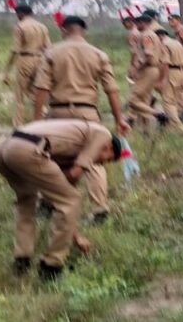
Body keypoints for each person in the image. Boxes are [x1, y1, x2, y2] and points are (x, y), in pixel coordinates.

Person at [0, 119, 123, 279]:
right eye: (108, 159)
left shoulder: (69, 148)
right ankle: (51, 266)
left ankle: (22, 260)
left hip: (4, 147)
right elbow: (73, 177)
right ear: (108, 147)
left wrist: (77, 237)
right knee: (72, 200)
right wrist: (56, 180)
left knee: (26, 201)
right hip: (28, 148)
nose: (102, 163)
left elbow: (59, 197)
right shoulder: (103, 134)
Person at [33, 16, 130, 223]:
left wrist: (36, 121)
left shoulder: (51, 53)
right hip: (88, 114)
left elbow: (41, 89)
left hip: (58, 114)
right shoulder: (99, 55)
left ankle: (48, 202)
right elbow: (111, 90)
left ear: (64, 30)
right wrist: (119, 119)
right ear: (83, 31)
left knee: (52, 158)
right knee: (94, 161)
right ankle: (99, 209)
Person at [2, 3, 51, 126]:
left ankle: (18, 125)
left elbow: (15, 50)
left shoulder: (20, 27)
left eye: (17, 14)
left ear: (21, 13)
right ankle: (45, 115)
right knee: (34, 92)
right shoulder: (42, 27)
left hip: (25, 59)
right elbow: (49, 47)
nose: (17, 16)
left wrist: (7, 70)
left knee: (19, 96)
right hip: (40, 60)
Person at [127, 14, 164, 132]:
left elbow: (148, 55)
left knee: (133, 100)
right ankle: (145, 131)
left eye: (137, 22)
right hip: (152, 70)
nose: (136, 25)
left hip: (148, 69)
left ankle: (158, 114)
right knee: (144, 101)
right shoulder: (152, 35)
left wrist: (137, 68)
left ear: (143, 22)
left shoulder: (146, 36)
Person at [155, 29, 183, 131]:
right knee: (174, 100)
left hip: (171, 73)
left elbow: (165, 63)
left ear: (160, 36)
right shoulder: (177, 43)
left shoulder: (164, 44)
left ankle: (178, 127)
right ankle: (172, 123)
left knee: (167, 101)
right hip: (180, 72)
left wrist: (162, 79)